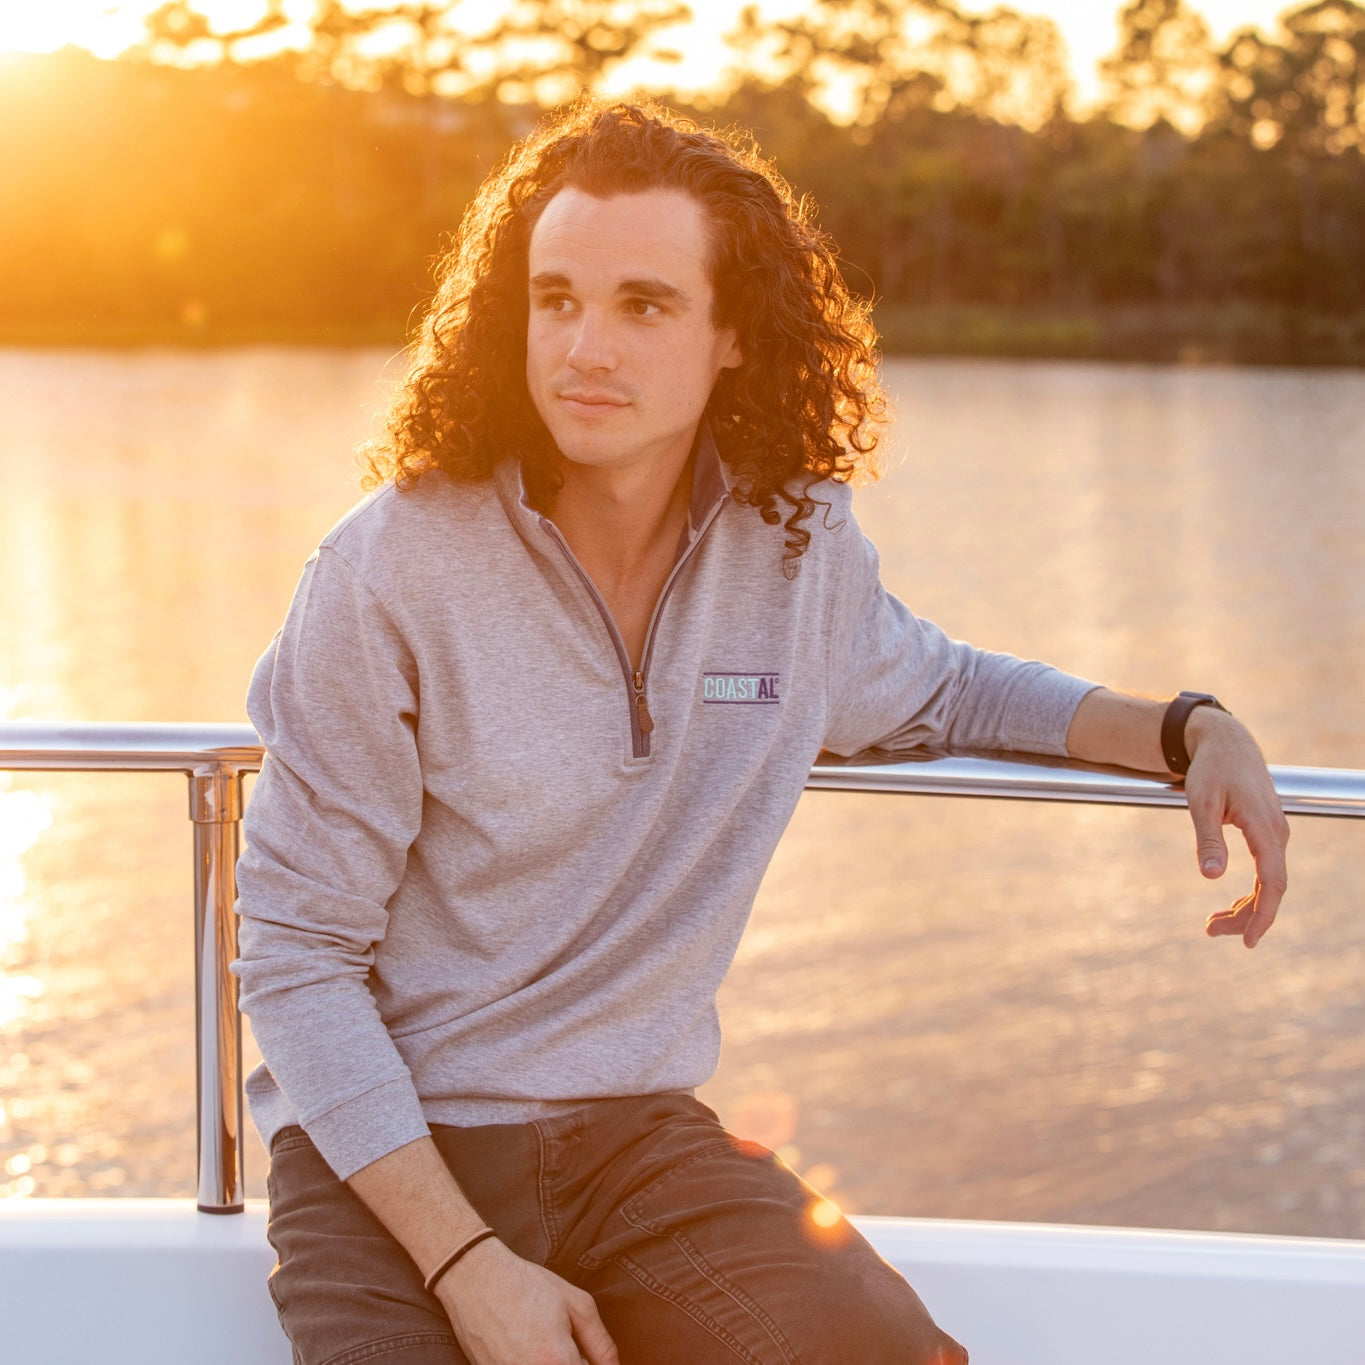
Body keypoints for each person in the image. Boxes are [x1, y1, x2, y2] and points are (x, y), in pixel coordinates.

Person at [233, 98, 1289, 1365]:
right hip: (386, 1154)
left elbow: (947, 690)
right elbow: (295, 958)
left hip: (629, 1138)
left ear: (734, 334)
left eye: (644, 305)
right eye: (556, 299)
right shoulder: (388, 571)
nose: (584, 348)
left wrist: (1186, 728)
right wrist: (468, 1267)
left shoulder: (791, 550)